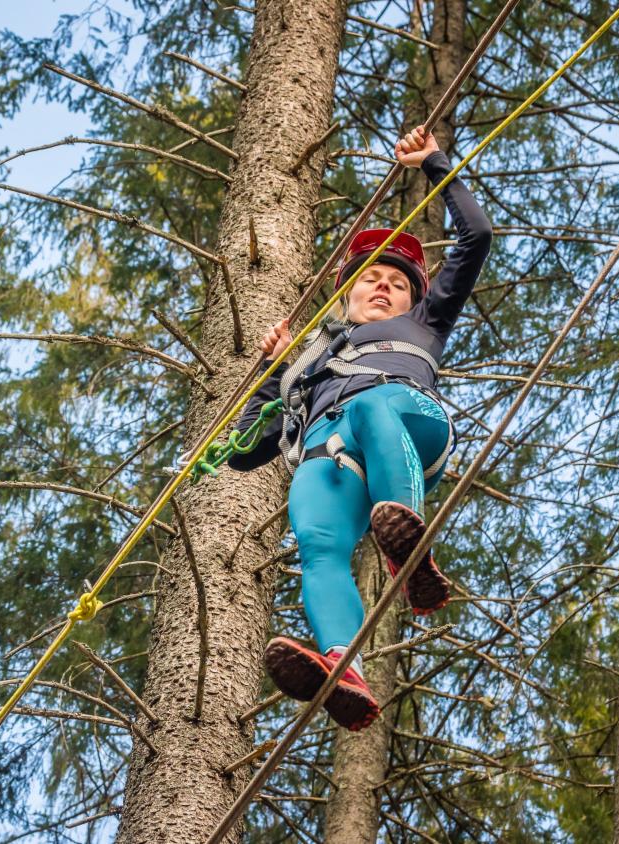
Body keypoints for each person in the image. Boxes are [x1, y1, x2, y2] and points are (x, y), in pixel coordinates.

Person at [227, 124, 493, 731]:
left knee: (373, 406)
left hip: (406, 421)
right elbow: (246, 452)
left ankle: (409, 551)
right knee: (318, 544)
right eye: (371, 278)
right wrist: (273, 371)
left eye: (397, 283)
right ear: (346, 296)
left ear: (413, 301)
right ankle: (346, 668)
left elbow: (476, 237)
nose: (383, 286)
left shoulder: (427, 322)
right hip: (330, 453)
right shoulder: (312, 362)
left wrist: (434, 163)